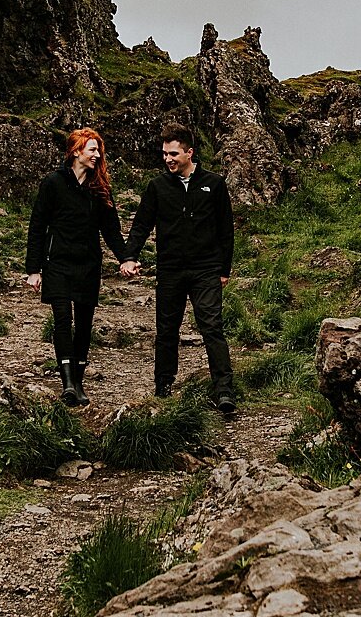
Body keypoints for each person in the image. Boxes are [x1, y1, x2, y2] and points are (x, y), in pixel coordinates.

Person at [122, 122, 236, 412]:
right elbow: (141, 225)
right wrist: (130, 256)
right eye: (165, 154)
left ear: (189, 153)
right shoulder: (157, 187)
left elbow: (225, 229)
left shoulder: (215, 183)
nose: (168, 159)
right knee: (166, 330)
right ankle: (163, 386)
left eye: (173, 154)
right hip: (170, 269)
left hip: (206, 269)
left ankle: (224, 390)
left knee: (212, 327)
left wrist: (225, 269)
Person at [25, 127, 135, 407]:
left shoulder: (100, 188)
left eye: (98, 150)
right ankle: (68, 384)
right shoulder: (53, 183)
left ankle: (80, 379)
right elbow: (37, 225)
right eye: (92, 149)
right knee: (62, 319)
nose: (97, 155)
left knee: (85, 323)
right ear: (76, 151)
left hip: (88, 264)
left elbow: (111, 229)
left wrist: (126, 258)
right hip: (57, 262)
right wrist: (34, 269)